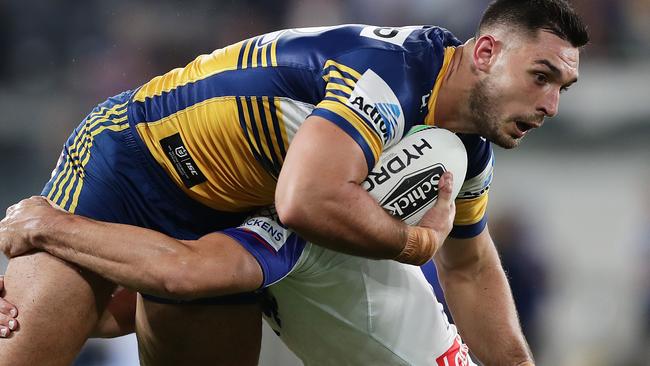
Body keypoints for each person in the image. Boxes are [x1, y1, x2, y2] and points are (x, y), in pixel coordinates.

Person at [0, 0, 588, 364]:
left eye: (562, 88)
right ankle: (42, 226)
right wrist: (412, 244)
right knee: (31, 345)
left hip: (229, 216)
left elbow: (471, 267)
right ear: (485, 51)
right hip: (133, 162)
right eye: (541, 76)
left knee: (132, 303)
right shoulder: (391, 78)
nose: (551, 105)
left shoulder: (467, 147)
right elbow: (304, 201)